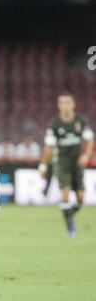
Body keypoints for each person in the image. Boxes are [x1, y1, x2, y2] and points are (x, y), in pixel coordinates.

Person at [39, 92, 94, 237]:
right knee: (65, 193)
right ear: (58, 106)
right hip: (62, 162)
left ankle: (69, 215)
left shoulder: (81, 121)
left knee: (81, 198)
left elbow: (89, 140)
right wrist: (43, 166)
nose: (65, 105)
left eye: (68, 102)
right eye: (62, 103)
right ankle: (70, 228)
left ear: (73, 104)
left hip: (77, 162)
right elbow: (48, 147)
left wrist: (86, 155)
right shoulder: (55, 124)